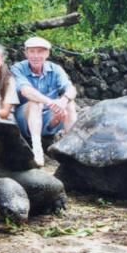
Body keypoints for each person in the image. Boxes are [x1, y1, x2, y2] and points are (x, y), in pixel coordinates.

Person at [11, 36, 77, 167]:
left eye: (40, 51)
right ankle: (37, 151)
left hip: (50, 118)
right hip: (25, 120)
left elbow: (71, 89)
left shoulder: (55, 69)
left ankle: (73, 147)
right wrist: (51, 103)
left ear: (47, 53)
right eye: (32, 51)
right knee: (35, 102)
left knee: (70, 102)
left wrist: (63, 101)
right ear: (26, 53)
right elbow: (25, 91)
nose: (36, 56)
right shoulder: (17, 68)